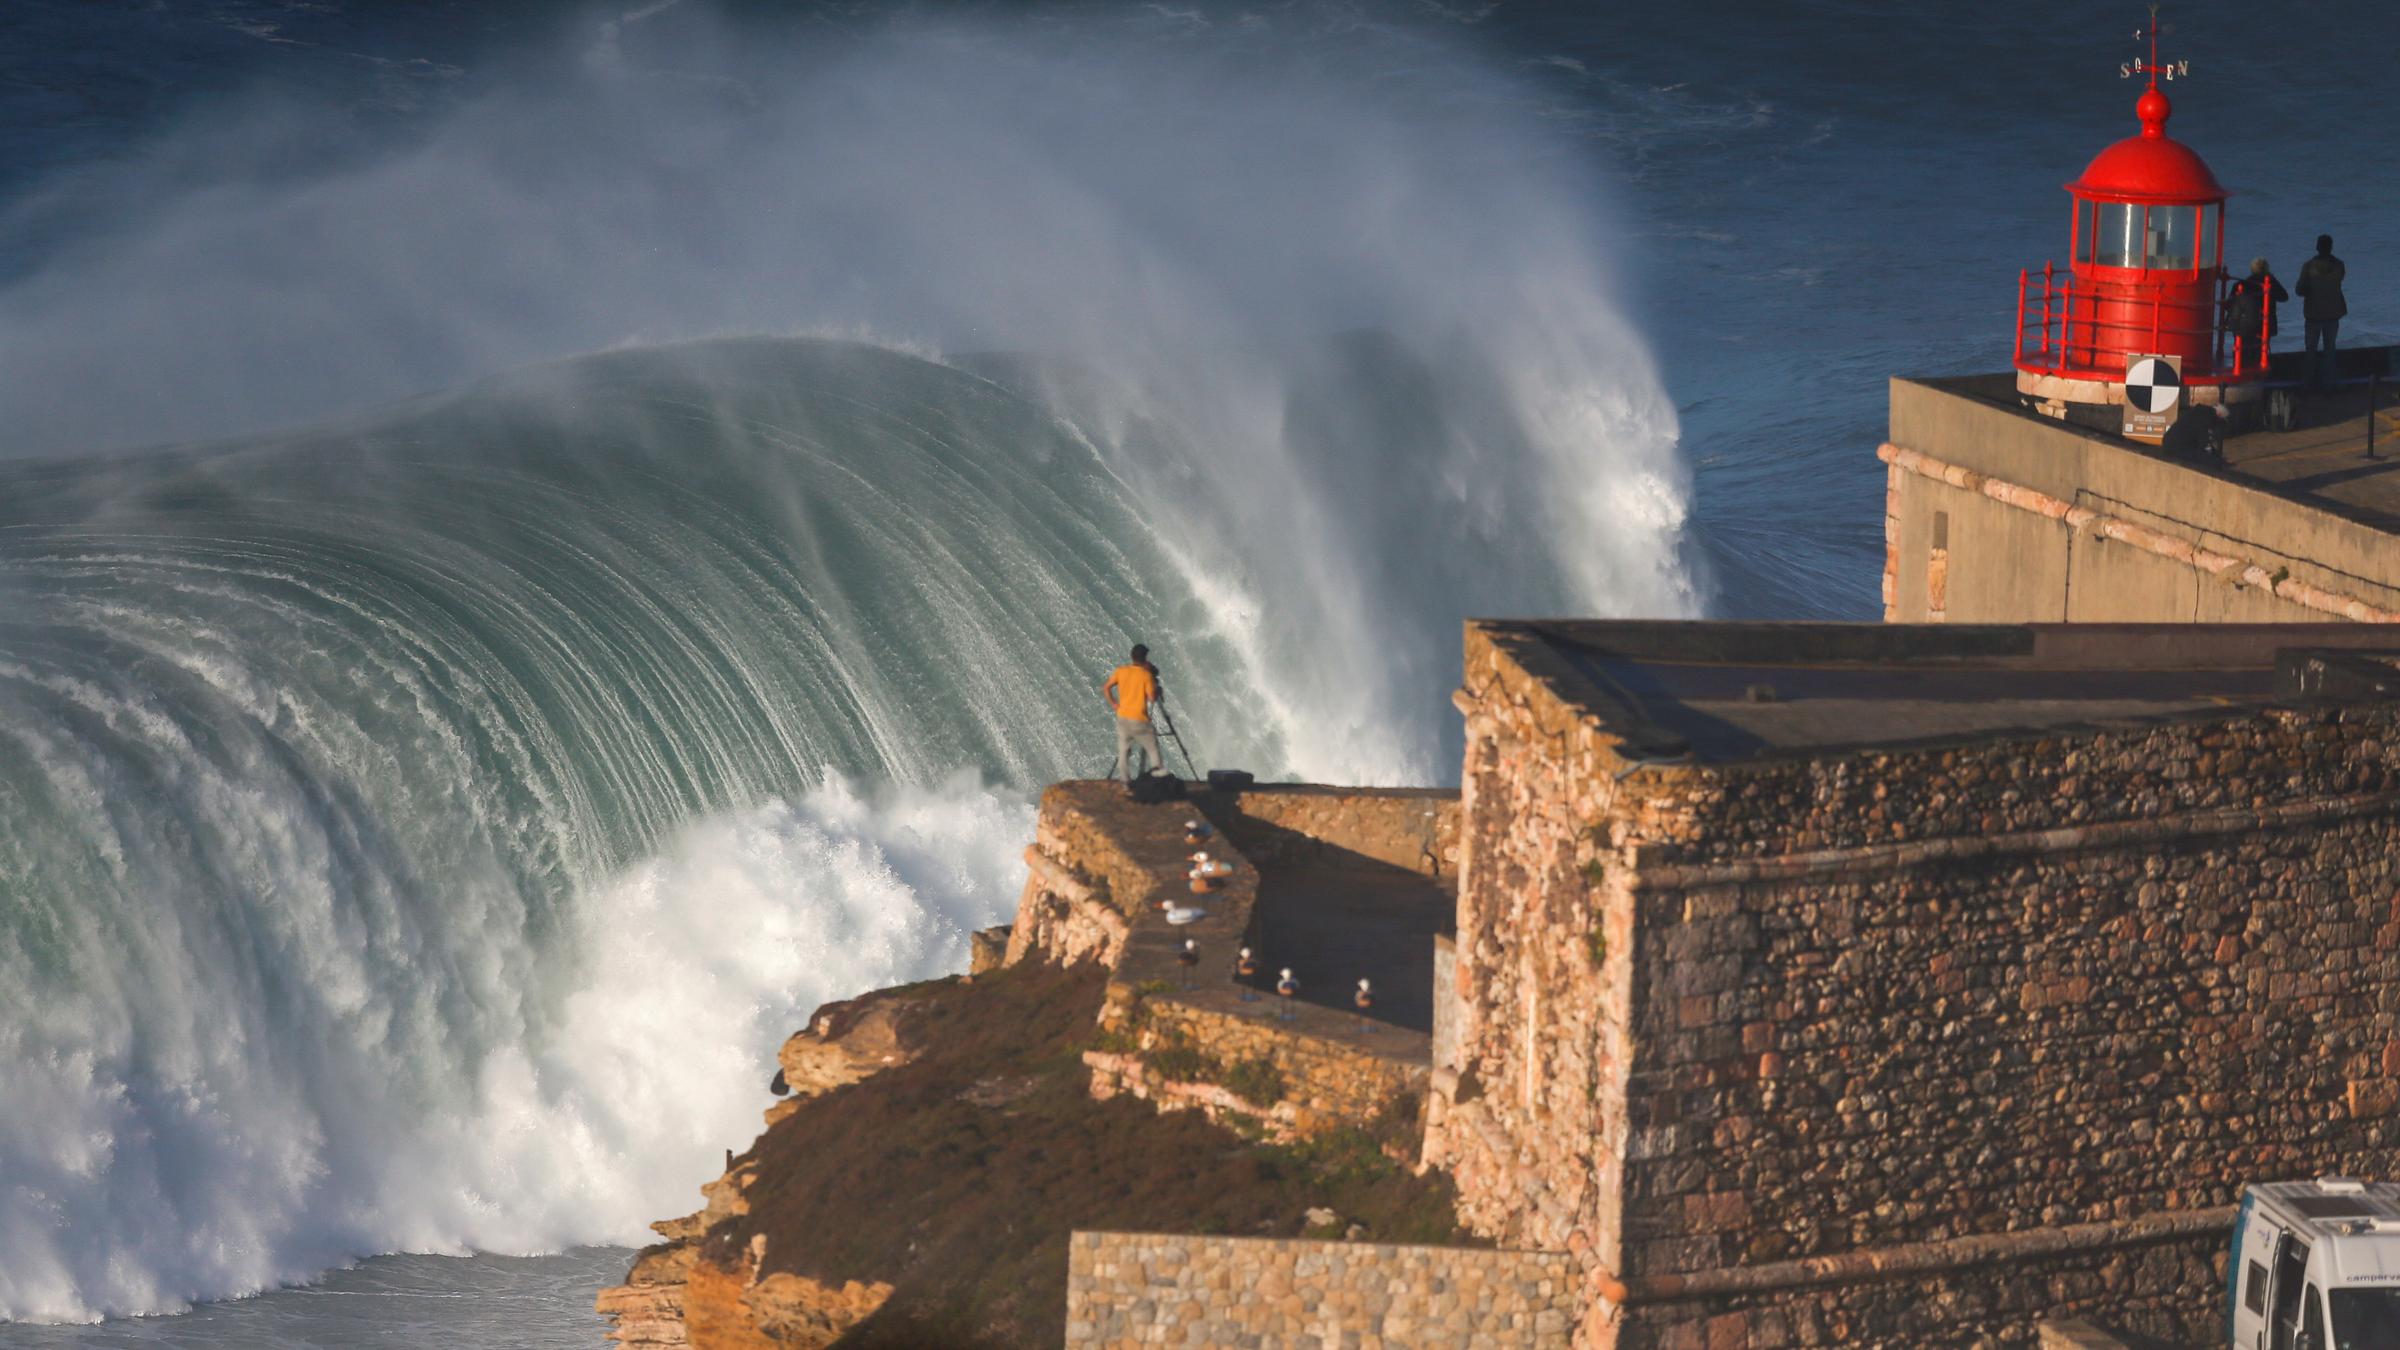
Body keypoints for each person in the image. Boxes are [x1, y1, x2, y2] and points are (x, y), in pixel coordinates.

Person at [1102, 642, 1166, 783]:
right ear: (1145, 659)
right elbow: (1152, 698)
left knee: (1124, 751)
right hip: (1139, 719)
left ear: (1132, 657)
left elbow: (1106, 687)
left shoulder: (1121, 671)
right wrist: (1156, 689)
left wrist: (1114, 704)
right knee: (1153, 748)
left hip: (1122, 718)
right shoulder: (1145, 675)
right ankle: (1159, 779)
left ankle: (1125, 783)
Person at [2297, 234, 2348, 392]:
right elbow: (2340, 280)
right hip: (2333, 314)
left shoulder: (2308, 266)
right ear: (2331, 247)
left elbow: (2299, 290)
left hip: (2313, 314)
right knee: (2330, 350)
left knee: (2310, 351)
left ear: (2317, 247)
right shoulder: (2339, 265)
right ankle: (2329, 384)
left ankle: (2308, 385)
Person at [2224, 258, 2287, 375]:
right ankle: (2257, 371)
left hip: (2242, 324)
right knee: (2259, 350)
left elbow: (2229, 305)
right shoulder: (2270, 283)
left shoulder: (2241, 284)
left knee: (2241, 349)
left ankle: (2240, 369)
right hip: (2262, 324)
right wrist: (2272, 279)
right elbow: (2284, 297)